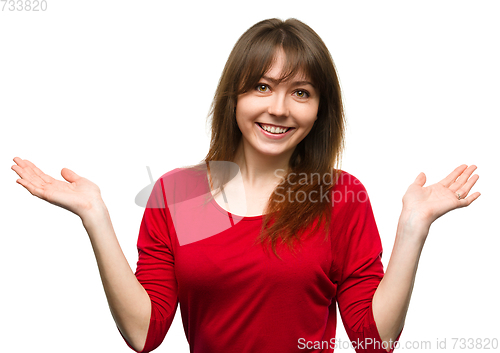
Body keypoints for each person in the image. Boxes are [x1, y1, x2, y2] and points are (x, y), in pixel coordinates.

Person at [11, 18, 480, 353]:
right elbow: (144, 334)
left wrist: (413, 228)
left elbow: (371, 342)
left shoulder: (337, 197)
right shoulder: (185, 195)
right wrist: (95, 215)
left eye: (301, 92)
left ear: (320, 110)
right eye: (261, 86)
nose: (279, 108)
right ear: (233, 97)